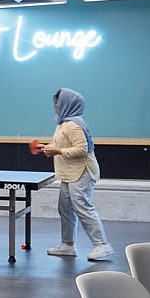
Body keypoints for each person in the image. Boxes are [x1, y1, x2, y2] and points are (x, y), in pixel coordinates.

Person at [39, 88, 113, 262]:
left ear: (66, 103)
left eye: (57, 102)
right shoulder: (63, 124)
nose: (55, 106)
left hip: (82, 172)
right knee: (65, 208)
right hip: (68, 173)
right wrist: (46, 147)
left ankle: (103, 245)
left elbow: (82, 149)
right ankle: (67, 245)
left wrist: (56, 150)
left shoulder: (73, 125)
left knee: (83, 208)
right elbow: (62, 144)